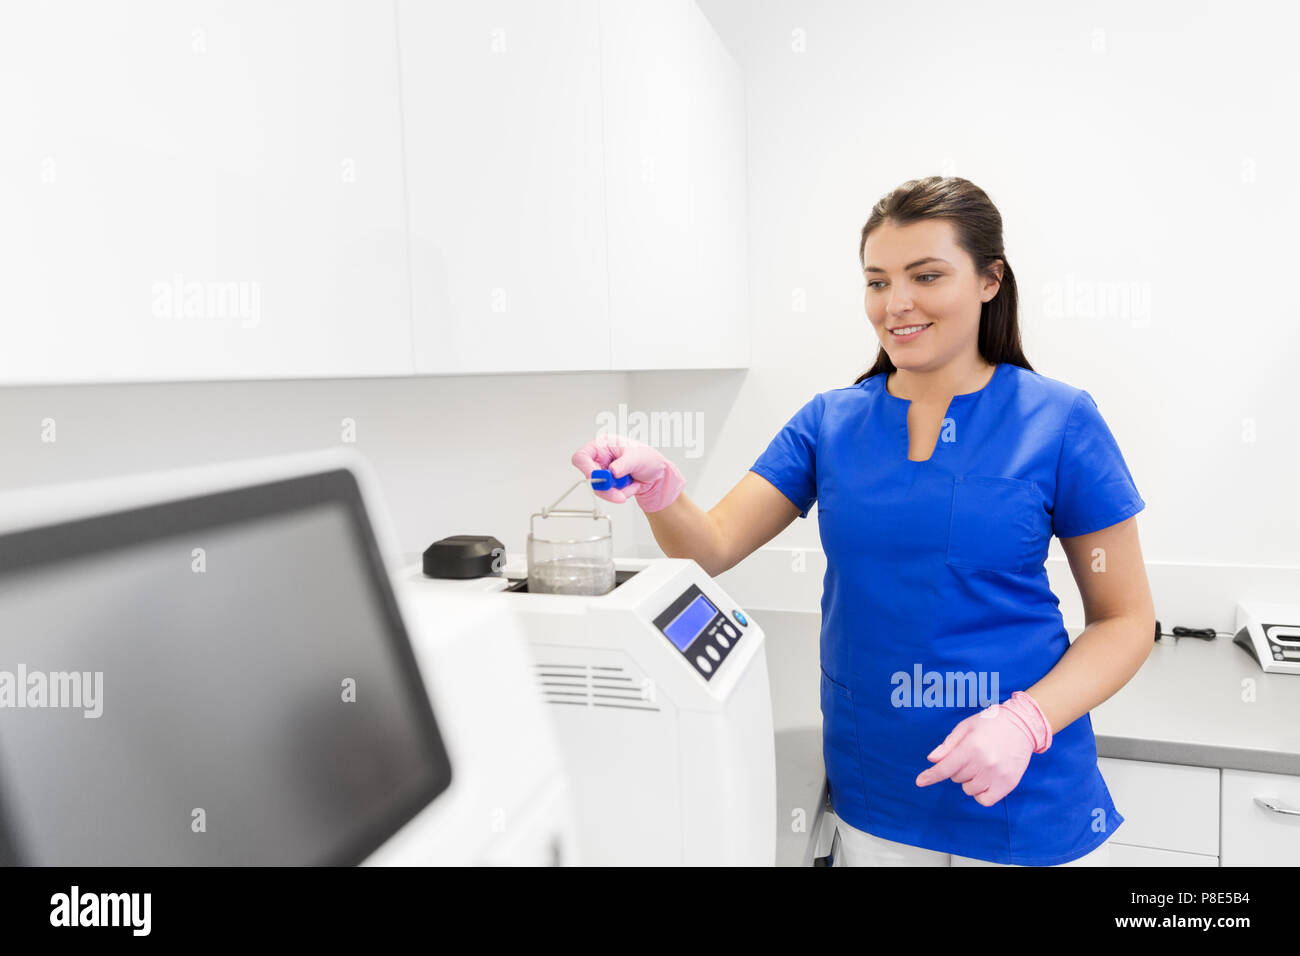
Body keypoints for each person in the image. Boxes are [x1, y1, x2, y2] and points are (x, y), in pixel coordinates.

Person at [571, 176, 1155, 867]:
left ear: (990, 280)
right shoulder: (830, 422)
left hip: (1022, 789)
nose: (896, 303)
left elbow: (1125, 620)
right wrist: (661, 490)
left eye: (926, 276)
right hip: (878, 784)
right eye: (877, 282)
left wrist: (1026, 722)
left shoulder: (1059, 421)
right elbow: (713, 547)